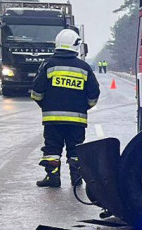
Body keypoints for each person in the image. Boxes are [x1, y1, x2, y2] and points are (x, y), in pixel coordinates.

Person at [29, 28, 100, 188]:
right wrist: (83, 107)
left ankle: (53, 177)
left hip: (52, 120)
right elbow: (93, 94)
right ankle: (76, 178)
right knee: (75, 150)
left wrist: (46, 105)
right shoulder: (84, 67)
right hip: (77, 120)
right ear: (75, 46)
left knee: (52, 148)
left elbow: (36, 91)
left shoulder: (48, 65)